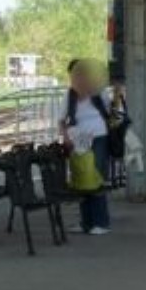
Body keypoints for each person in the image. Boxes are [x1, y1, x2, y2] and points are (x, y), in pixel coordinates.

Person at [59, 59, 113, 236]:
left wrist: (118, 94)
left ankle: (101, 222)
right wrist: (66, 138)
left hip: (98, 137)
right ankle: (86, 222)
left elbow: (111, 111)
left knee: (97, 177)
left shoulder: (98, 91)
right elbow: (61, 120)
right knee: (82, 179)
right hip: (79, 141)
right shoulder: (69, 95)